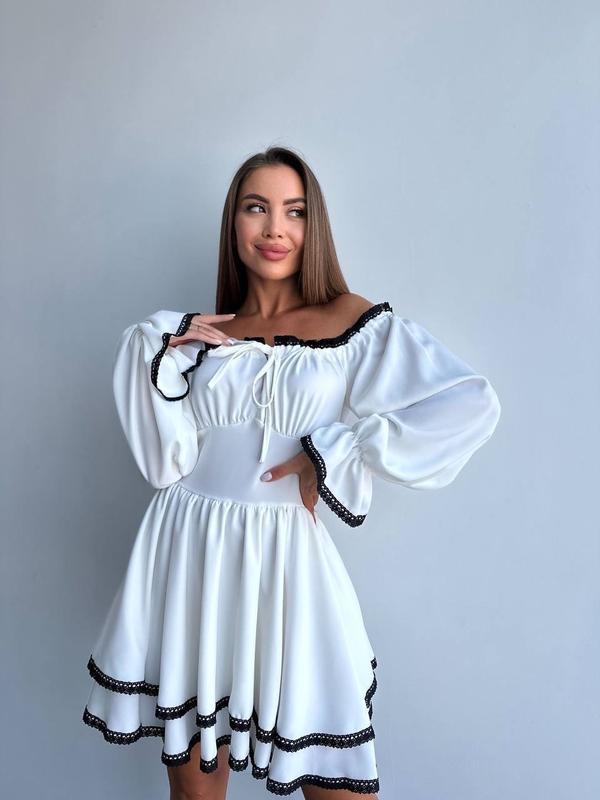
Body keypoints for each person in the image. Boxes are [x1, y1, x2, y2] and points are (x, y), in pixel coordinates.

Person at [82, 146, 502, 800]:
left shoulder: (352, 321)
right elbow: (166, 461)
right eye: (257, 208)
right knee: (194, 789)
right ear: (234, 222)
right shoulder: (208, 335)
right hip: (188, 554)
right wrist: (166, 344)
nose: (275, 229)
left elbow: (468, 402)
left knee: (336, 779)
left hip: (284, 566)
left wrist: (333, 450)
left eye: (294, 211)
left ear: (314, 225)